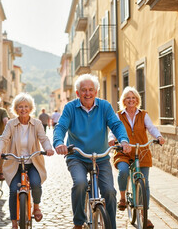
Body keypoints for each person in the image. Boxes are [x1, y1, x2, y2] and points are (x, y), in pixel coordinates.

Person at [53, 74, 131, 229]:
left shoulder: (105, 106)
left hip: (100, 157)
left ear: (96, 92)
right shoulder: (70, 108)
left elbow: (116, 124)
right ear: (77, 93)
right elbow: (61, 127)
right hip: (77, 156)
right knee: (80, 183)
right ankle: (78, 222)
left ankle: (111, 226)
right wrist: (59, 142)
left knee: (109, 191)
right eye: (83, 90)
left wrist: (123, 140)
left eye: (90, 90)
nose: (87, 93)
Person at [0, 93, 54, 229]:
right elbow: (4, 139)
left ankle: (36, 207)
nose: (23, 109)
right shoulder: (11, 124)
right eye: (20, 106)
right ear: (16, 109)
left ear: (31, 108)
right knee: (14, 190)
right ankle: (14, 223)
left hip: (32, 163)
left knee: (36, 183)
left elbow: (43, 138)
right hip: (15, 163)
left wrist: (48, 148)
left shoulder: (37, 123)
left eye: (26, 106)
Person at [108, 86, 165, 229]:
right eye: (128, 98)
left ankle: (143, 216)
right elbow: (113, 130)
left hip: (142, 151)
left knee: (144, 184)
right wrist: (111, 139)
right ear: (124, 101)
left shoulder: (143, 114)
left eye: (133, 98)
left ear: (137, 100)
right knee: (123, 172)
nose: (131, 100)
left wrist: (158, 136)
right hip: (123, 151)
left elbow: (151, 128)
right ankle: (122, 197)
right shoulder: (118, 115)